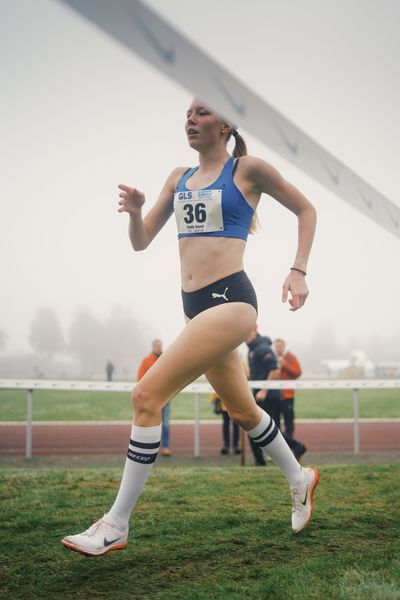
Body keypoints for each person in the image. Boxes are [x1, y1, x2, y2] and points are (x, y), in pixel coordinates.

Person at [61, 98, 319, 557]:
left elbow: (306, 209)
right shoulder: (177, 178)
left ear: (226, 124)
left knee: (145, 396)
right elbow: (142, 243)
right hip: (194, 309)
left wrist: (298, 270)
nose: (191, 119)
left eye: (202, 112)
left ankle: (115, 524)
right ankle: (300, 478)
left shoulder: (247, 169)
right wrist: (137, 213)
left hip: (233, 302)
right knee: (242, 411)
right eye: (187, 113)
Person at [246, 327, 307, 465]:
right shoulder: (254, 348)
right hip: (262, 393)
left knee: (261, 428)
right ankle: (262, 460)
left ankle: (295, 447)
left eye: (247, 332)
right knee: (261, 428)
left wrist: (264, 390)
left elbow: (273, 369)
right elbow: (259, 371)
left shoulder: (262, 348)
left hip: (268, 396)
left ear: (254, 332)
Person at [137, 339, 171, 457]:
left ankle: (166, 447)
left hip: (165, 397)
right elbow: (140, 378)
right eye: (156, 346)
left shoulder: (167, 359)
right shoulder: (146, 361)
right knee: (150, 424)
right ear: (152, 347)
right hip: (151, 398)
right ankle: (149, 448)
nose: (158, 347)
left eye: (159, 345)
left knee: (166, 423)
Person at [274, 338, 302, 438]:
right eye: (276, 347)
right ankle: (277, 446)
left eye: (280, 346)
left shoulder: (290, 357)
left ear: (284, 346)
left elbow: (298, 372)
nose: (278, 349)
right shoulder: (272, 357)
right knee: (275, 422)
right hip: (274, 396)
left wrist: (284, 364)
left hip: (287, 395)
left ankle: (290, 445)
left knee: (289, 421)